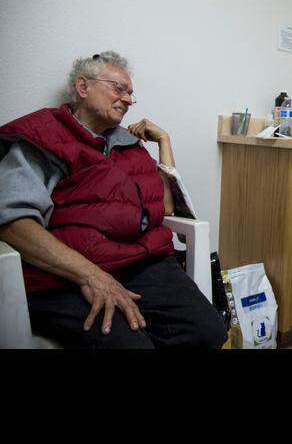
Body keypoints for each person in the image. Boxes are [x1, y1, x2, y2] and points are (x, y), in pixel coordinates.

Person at [0, 51, 226, 349]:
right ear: (83, 87)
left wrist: (164, 141)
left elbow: (166, 208)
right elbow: (13, 223)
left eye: (131, 93)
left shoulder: (129, 144)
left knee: (209, 331)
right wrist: (91, 275)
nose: (129, 100)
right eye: (119, 89)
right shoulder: (44, 136)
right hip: (68, 274)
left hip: (141, 263)